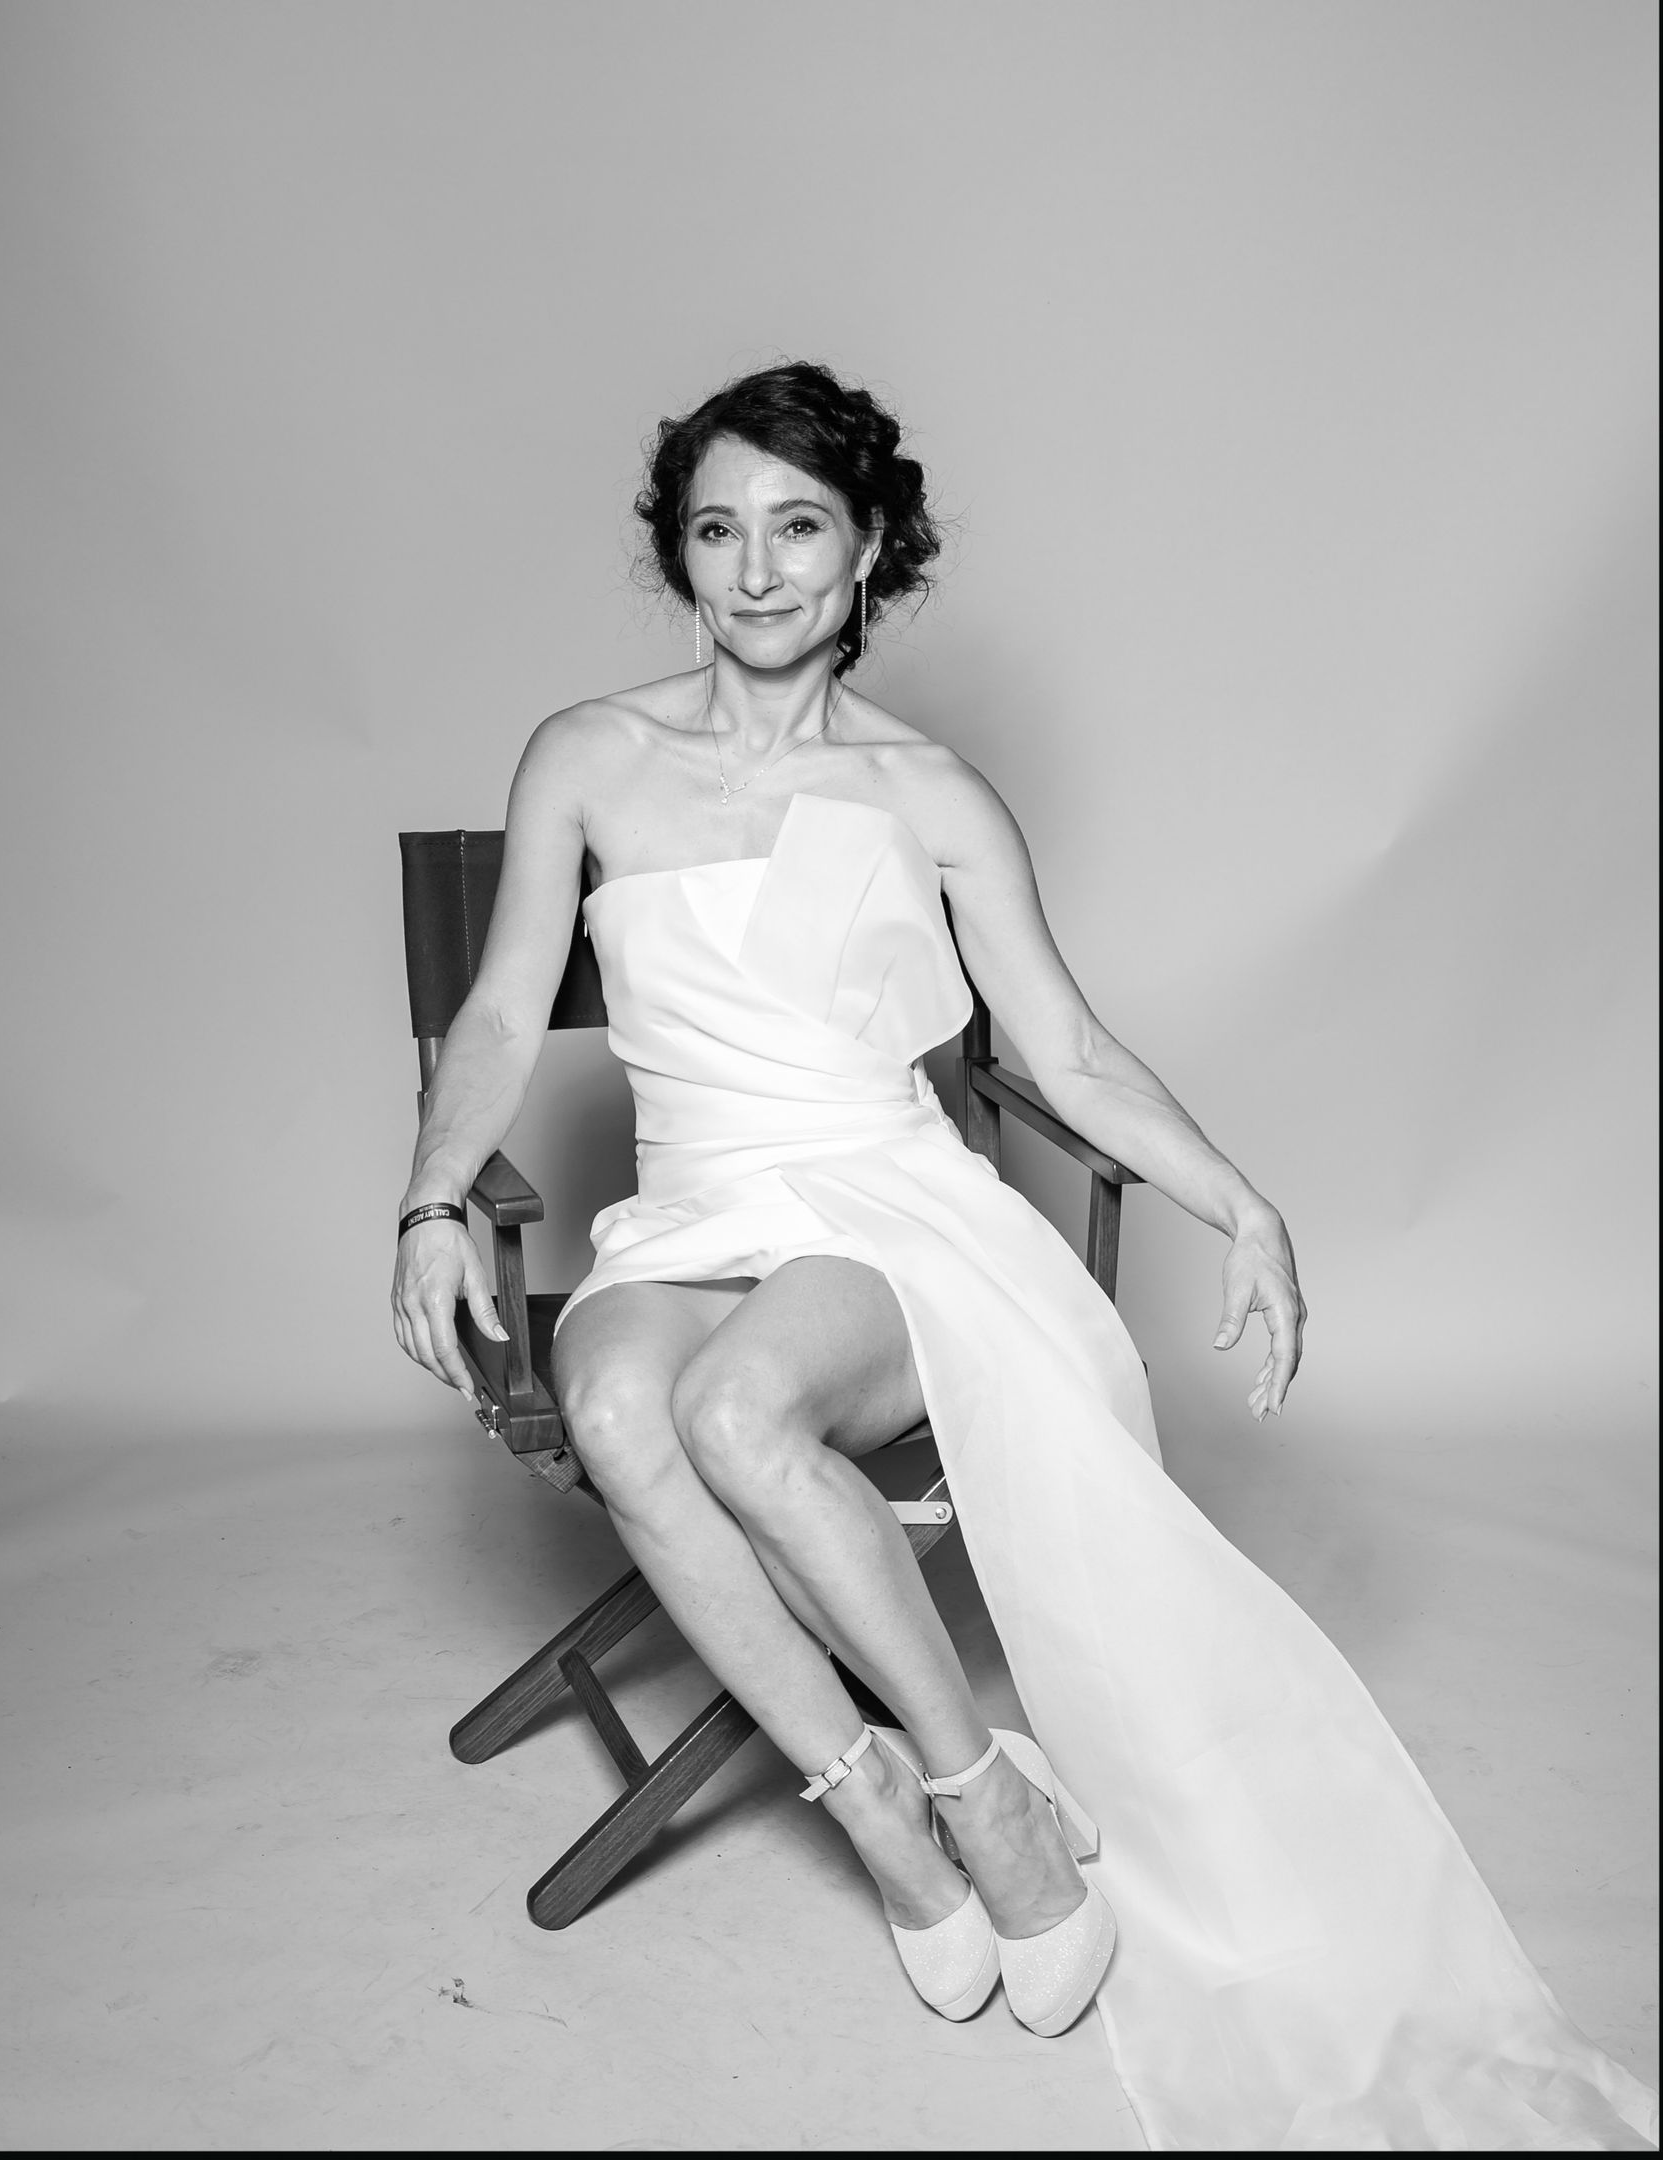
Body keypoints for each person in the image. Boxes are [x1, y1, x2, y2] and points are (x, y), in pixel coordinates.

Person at [392, 364, 1656, 2151]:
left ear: (869, 549)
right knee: (615, 1407)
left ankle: (978, 1790)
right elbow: (503, 1010)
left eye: (799, 528)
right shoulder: (585, 756)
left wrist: (1242, 1203)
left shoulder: (933, 793)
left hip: (880, 1207)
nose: (755, 569)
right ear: (678, 553)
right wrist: (434, 1200)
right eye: (717, 530)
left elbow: (1060, 1051)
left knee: (739, 1414)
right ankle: (876, 1814)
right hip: (686, 1209)